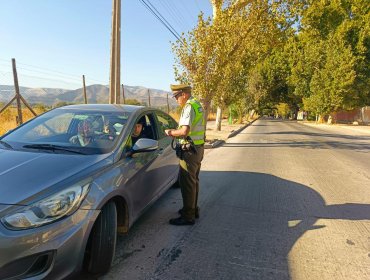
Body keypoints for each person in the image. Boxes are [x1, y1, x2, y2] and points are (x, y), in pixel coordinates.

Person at [165, 84, 205, 226]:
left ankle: (188, 216)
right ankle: (193, 209)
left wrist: (170, 132)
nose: (176, 100)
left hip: (189, 151)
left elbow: (184, 131)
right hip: (198, 148)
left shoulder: (189, 107)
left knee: (187, 183)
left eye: (177, 96)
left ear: (183, 94)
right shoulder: (197, 104)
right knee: (193, 181)